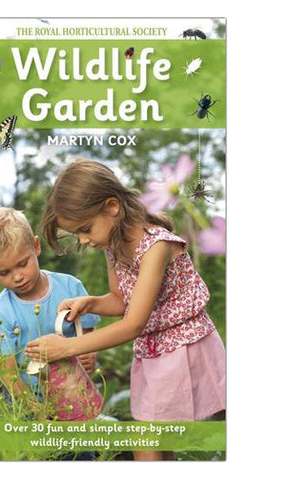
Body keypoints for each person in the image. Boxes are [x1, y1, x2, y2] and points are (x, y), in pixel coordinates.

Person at [26, 159, 226, 461]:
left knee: (148, 438)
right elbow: (122, 300)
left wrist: (65, 348)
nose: (83, 240)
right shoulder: (114, 245)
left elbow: (132, 324)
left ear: (112, 207)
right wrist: (92, 302)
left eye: (85, 229)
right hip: (154, 353)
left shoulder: (156, 247)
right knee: (157, 439)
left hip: (185, 347)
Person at [0, 207, 100, 407]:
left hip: (75, 392)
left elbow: (87, 329)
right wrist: (33, 408)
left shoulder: (69, 286)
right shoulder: (1, 312)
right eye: (4, 272)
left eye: (23, 263)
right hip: (31, 401)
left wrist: (90, 353)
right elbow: (8, 370)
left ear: (36, 246)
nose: (17, 276)